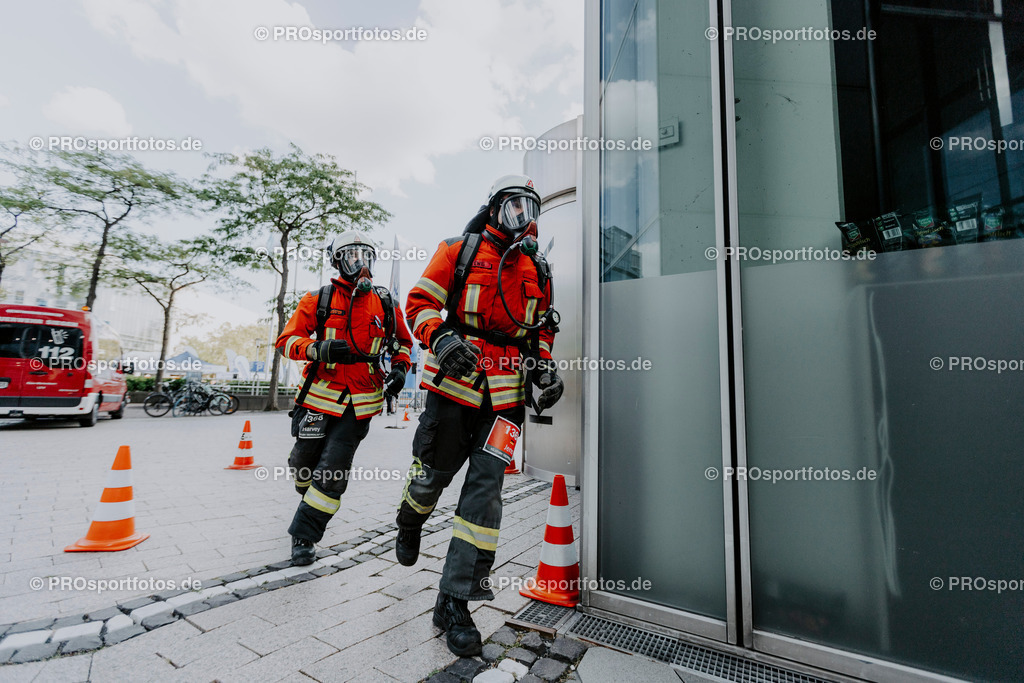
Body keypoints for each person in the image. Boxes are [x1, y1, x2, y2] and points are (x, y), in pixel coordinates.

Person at [395, 174, 564, 656]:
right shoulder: (457, 251)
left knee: (486, 493)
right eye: (513, 206)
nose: (522, 218)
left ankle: (456, 600)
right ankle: (410, 521)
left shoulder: (539, 269)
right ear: (493, 208)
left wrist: (543, 367)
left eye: (530, 209)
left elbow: (540, 330)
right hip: (454, 389)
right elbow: (421, 303)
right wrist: (441, 337)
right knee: (430, 478)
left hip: (506, 400)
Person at [276, 231, 413, 565]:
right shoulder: (318, 299)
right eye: (352, 256)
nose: (360, 263)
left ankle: (305, 533)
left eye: (366, 256)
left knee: (333, 468)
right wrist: (316, 347)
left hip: (361, 401)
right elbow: (285, 341)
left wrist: (399, 369)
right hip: (317, 397)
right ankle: (308, 498)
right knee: (302, 463)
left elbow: (404, 344)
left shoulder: (385, 303)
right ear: (337, 261)